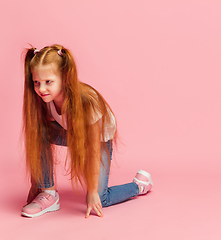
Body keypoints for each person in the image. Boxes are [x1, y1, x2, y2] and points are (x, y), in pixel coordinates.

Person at [21, 44, 153, 218]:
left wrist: (92, 191)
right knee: (40, 132)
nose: (41, 89)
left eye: (48, 82)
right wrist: (35, 184)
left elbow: (92, 149)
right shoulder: (46, 98)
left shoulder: (87, 102)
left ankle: (139, 186)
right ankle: (48, 193)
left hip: (97, 141)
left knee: (101, 198)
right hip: (72, 132)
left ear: (65, 78)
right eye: (36, 82)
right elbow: (39, 137)